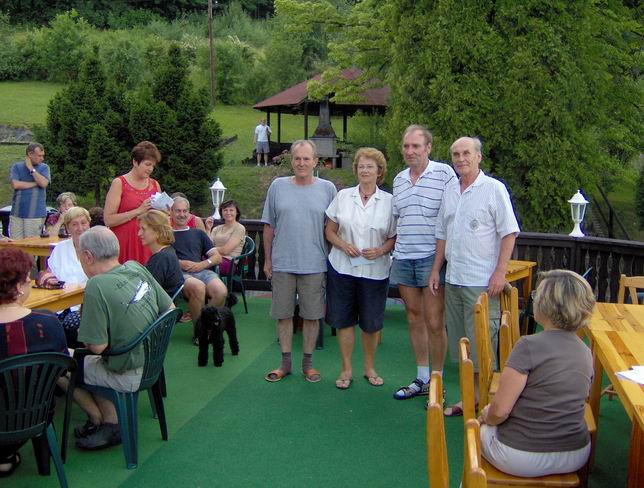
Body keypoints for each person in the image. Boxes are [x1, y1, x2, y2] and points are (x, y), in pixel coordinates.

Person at [429, 136, 520, 415]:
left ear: (478, 156)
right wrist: (436, 270)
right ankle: (469, 398)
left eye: (466, 153)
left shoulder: (493, 189)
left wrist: (500, 273)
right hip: (454, 279)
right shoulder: (450, 190)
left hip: (481, 282)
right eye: (456, 154)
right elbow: (442, 234)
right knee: (462, 345)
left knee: (483, 344)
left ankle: (489, 403)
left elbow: (509, 233)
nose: (461, 159)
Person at [478, 269, 594, 477]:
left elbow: (500, 411)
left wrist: (487, 416)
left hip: (521, 455)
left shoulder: (528, 346)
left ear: (546, 305)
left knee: (474, 434)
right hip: (576, 453)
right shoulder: (585, 351)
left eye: (536, 295)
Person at [74, 226, 174, 450]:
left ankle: (104, 421)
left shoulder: (96, 284)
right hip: (152, 363)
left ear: (88, 256)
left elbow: (97, 347)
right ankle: (105, 420)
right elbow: (170, 308)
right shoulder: (136, 267)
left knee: (64, 364)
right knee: (90, 359)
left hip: (128, 372)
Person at [262, 140, 337, 383]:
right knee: (283, 315)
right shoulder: (277, 186)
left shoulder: (328, 189)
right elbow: (269, 226)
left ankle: (308, 364)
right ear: (291, 161)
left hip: (315, 263)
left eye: (306, 159)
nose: (301, 163)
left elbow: (334, 227)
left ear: (315, 161)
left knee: (312, 316)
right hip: (283, 262)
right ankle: (285, 364)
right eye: (297, 158)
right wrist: (267, 259)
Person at [390, 125, 455, 401]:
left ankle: (437, 383)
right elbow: (398, 221)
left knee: (435, 322)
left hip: (432, 258)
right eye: (406, 146)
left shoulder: (444, 174)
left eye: (415, 146)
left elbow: (450, 220)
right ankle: (422, 377)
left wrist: (437, 266)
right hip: (404, 257)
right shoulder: (399, 179)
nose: (410, 151)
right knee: (414, 317)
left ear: (428, 147)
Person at [324, 148, 396, 390]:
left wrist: (381, 250)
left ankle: (369, 368)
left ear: (379, 171)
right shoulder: (343, 196)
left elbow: (393, 237)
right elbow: (329, 231)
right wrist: (344, 245)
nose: (365, 170)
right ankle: (346, 369)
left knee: (371, 322)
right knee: (344, 320)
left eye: (370, 166)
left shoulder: (389, 202)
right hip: (342, 268)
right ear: (356, 170)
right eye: (361, 166)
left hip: (375, 271)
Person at [0, 247, 68, 478]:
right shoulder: (47, 322)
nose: (30, 282)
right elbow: (61, 370)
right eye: (28, 279)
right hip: (36, 414)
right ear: (19, 287)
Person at [138, 210, 206, 325]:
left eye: (143, 229)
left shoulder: (160, 259)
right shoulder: (168, 251)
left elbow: (146, 296)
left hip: (155, 318)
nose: (139, 233)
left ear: (158, 232)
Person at [103, 141, 164, 265]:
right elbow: (108, 220)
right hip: (125, 242)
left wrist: (164, 212)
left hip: (148, 243)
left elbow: (159, 217)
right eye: (147, 164)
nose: (150, 169)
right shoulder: (119, 183)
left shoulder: (154, 184)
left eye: (153, 166)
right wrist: (138, 211)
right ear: (135, 162)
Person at [171, 196, 228, 311]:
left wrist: (202, 265)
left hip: (201, 271)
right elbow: (161, 258)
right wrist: (179, 263)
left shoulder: (198, 233)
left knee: (221, 292)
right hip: (179, 274)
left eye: (185, 211)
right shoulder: (166, 235)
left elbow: (217, 257)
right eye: (178, 211)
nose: (182, 214)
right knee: (198, 287)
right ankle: (198, 320)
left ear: (189, 212)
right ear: (171, 212)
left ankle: (204, 317)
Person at [44, 207, 91, 346]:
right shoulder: (60, 248)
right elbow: (48, 273)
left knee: (69, 325)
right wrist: (48, 279)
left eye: (83, 223)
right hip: (60, 301)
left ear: (89, 224)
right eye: (74, 224)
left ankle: (74, 356)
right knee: (44, 322)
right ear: (68, 228)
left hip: (86, 304)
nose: (80, 228)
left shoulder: (97, 247)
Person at [9, 142, 50, 239]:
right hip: (17, 213)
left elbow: (44, 183)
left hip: (35, 214)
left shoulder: (44, 167)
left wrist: (31, 169)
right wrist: (35, 184)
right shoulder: (17, 167)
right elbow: (15, 184)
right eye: (39, 156)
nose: (42, 158)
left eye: (43, 156)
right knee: (15, 244)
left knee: (31, 244)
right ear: (30, 154)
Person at [205, 199, 246, 277]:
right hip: (213, 258)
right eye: (225, 210)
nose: (228, 213)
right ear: (221, 212)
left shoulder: (239, 228)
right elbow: (208, 244)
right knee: (195, 259)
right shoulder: (216, 228)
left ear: (237, 212)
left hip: (229, 262)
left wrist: (210, 250)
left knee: (200, 264)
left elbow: (225, 250)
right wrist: (208, 229)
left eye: (231, 210)